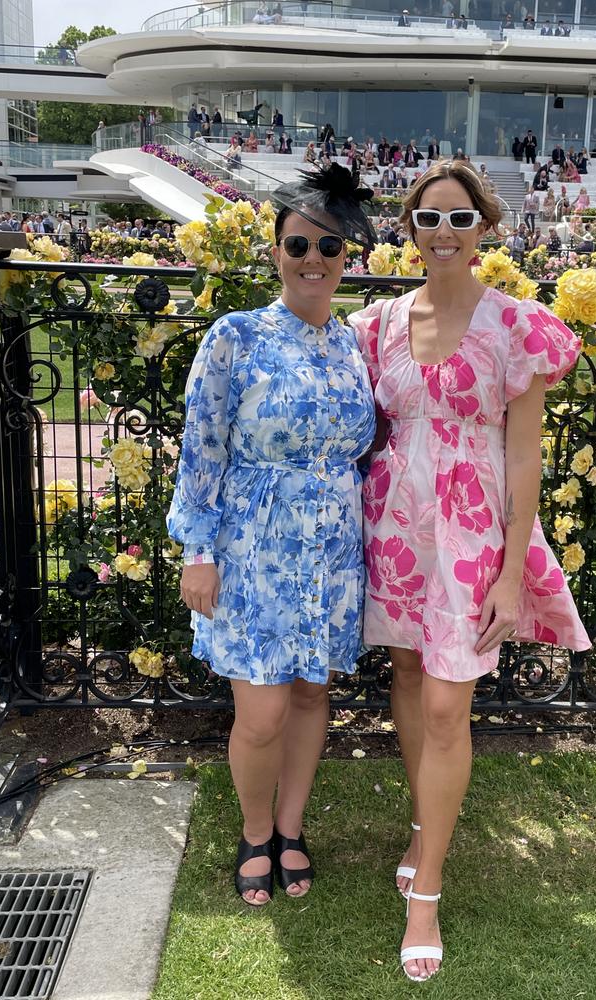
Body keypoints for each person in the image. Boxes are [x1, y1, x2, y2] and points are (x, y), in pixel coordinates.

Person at [348, 160, 590, 982]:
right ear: (408, 230)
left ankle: (429, 894)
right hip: (395, 531)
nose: (442, 233)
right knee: (412, 680)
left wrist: (512, 573)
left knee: (451, 703)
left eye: (459, 219)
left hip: (471, 535)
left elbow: (525, 457)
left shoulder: (518, 326)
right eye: (428, 219)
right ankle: (423, 829)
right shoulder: (376, 325)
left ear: (485, 229)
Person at [167, 164, 377, 907]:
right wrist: (198, 551)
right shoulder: (238, 338)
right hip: (252, 551)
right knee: (260, 714)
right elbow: (204, 447)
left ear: (348, 256)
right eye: (299, 245)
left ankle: (292, 828)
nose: (314, 259)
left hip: (332, 555)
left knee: (313, 697)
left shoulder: (355, 345)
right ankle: (256, 832)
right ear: (276, 252)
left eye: (330, 247)